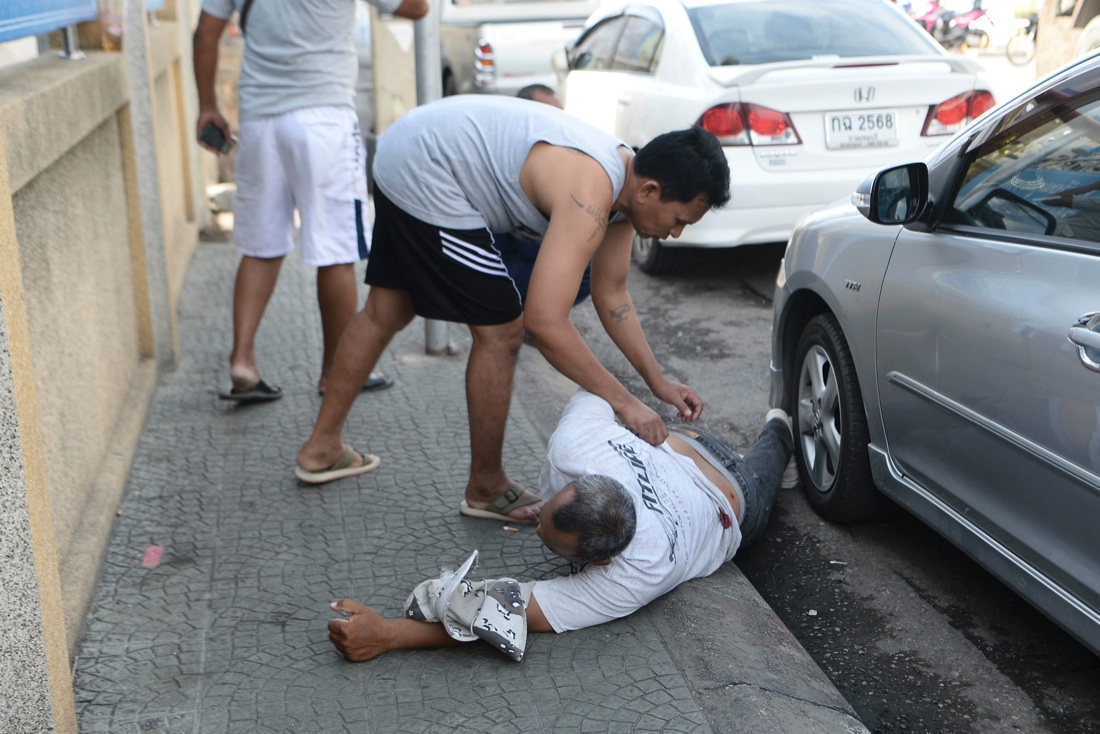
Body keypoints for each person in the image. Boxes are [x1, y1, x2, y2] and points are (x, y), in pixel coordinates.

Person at [294, 94, 731, 529]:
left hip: (409, 148)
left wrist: (658, 383)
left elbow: (612, 293)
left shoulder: (626, 186)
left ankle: (322, 449)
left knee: (387, 309)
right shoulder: (593, 187)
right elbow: (544, 323)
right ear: (650, 191)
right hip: (429, 169)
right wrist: (627, 404)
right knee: (502, 329)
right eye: (678, 220)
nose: (674, 234)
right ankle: (485, 488)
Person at [325, 389, 795, 661]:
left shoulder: (633, 574)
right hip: (680, 440)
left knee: (774, 446)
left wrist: (389, 635)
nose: (535, 529)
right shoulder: (576, 448)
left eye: (548, 541)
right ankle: (777, 422)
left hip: (736, 496)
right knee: (764, 443)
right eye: (545, 517)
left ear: (601, 561)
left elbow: (501, 612)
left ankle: (783, 421)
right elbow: (595, 386)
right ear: (583, 480)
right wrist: (637, 399)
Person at [192, 0, 428, 403]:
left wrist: (209, 106)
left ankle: (243, 362)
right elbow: (417, 8)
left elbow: (205, 34)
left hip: (260, 119)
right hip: (325, 120)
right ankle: (334, 373)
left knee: (259, 247)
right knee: (334, 250)